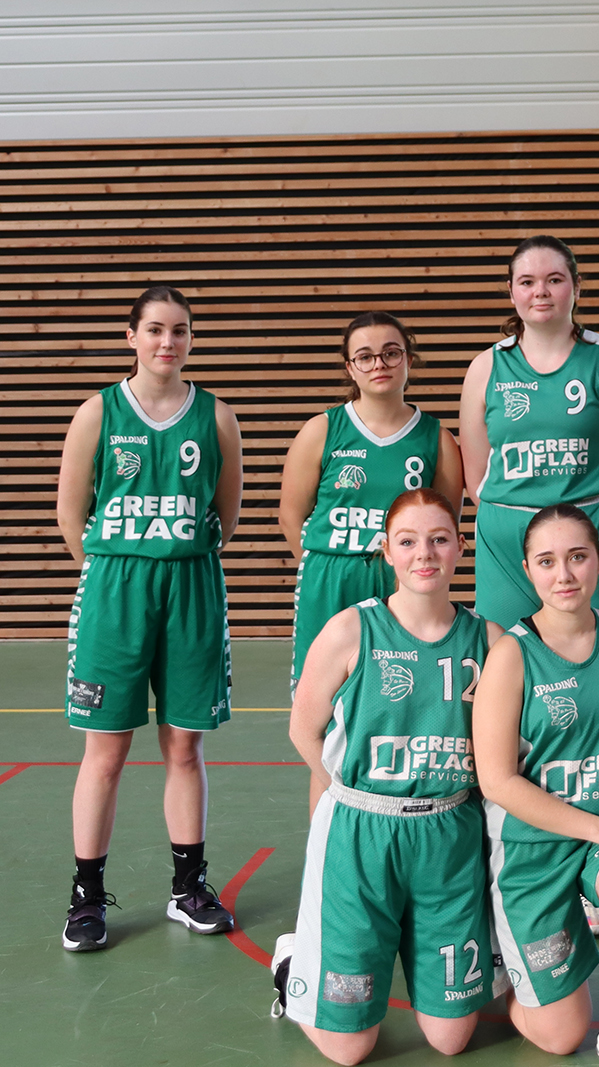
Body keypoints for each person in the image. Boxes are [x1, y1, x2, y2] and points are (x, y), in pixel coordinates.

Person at [275, 489, 502, 1064]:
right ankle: (293, 962)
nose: (424, 553)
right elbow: (303, 729)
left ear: (459, 547)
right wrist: (346, 798)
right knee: (350, 1049)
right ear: (387, 551)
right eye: (408, 541)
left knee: (451, 1039)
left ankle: (404, 939)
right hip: (362, 833)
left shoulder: (490, 640)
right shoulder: (352, 629)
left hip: (449, 832)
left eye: (439, 539)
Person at [55, 286, 244, 951]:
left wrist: (172, 550)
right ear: (131, 336)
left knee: (184, 745)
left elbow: (226, 513)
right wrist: (117, 564)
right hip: (116, 586)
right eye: (156, 329)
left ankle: (188, 887)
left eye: (181, 330)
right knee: (105, 750)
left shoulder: (217, 416)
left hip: (191, 584)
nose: (169, 341)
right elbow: (70, 513)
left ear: (191, 339)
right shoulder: (97, 412)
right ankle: (86, 897)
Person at [472, 504, 599, 1067]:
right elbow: (497, 781)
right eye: (547, 561)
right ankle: (507, 967)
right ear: (528, 570)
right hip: (533, 848)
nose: (563, 574)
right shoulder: (511, 655)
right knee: (561, 1035)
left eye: (577, 557)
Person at [460, 235, 599, 628]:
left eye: (554, 279)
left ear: (576, 286)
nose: (541, 291)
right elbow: (476, 476)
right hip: (507, 536)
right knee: (506, 647)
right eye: (527, 282)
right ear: (511, 292)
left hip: (591, 526)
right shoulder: (485, 368)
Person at [279, 311, 463, 696]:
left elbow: (444, 525)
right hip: (331, 573)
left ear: (408, 360)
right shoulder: (322, 430)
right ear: (350, 368)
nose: (379, 364)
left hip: (400, 576)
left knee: (398, 691)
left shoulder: (437, 439)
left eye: (391, 353)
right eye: (365, 356)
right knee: (321, 693)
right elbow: (291, 517)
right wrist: (325, 566)